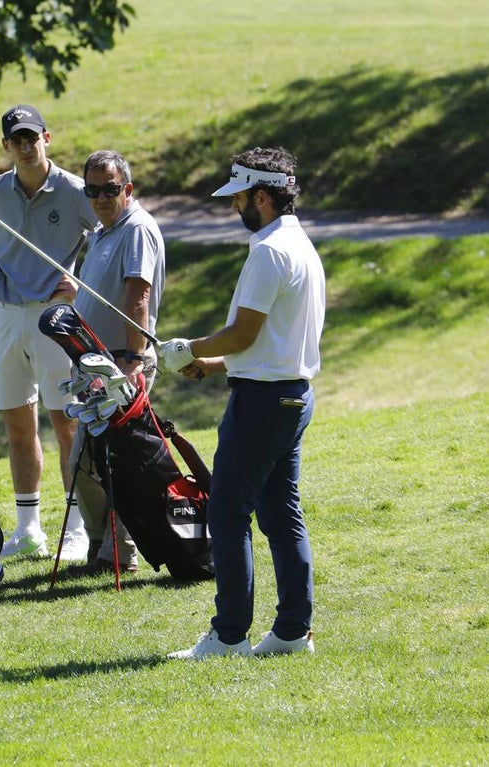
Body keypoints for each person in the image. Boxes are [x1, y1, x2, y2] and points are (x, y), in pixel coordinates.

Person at [160, 147, 326, 658]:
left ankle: (229, 635)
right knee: (281, 515)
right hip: (293, 397)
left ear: (261, 195)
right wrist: (210, 365)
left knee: (228, 515)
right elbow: (266, 340)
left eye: (239, 199)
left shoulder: (268, 250)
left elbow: (243, 332)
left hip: (261, 404)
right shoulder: (300, 244)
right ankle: (294, 632)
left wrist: (190, 349)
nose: (235, 208)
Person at [0, 105, 97, 559]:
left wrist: (81, 283)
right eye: (16, 140)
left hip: (56, 318)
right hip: (6, 317)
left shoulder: (76, 191)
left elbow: (103, 237)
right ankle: (28, 530)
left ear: (47, 138)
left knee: (67, 425)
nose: (25, 145)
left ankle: (77, 529)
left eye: (31, 137)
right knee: (19, 426)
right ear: (6, 146)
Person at [65, 150, 167, 575]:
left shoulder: (137, 229)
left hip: (122, 363)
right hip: (96, 365)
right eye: (93, 190)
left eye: (110, 189)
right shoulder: (104, 231)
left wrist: (133, 361)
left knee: (114, 462)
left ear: (128, 188)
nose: (102, 198)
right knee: (83, 462)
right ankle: (102, 547)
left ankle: (118, 554)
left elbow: (137, 296)